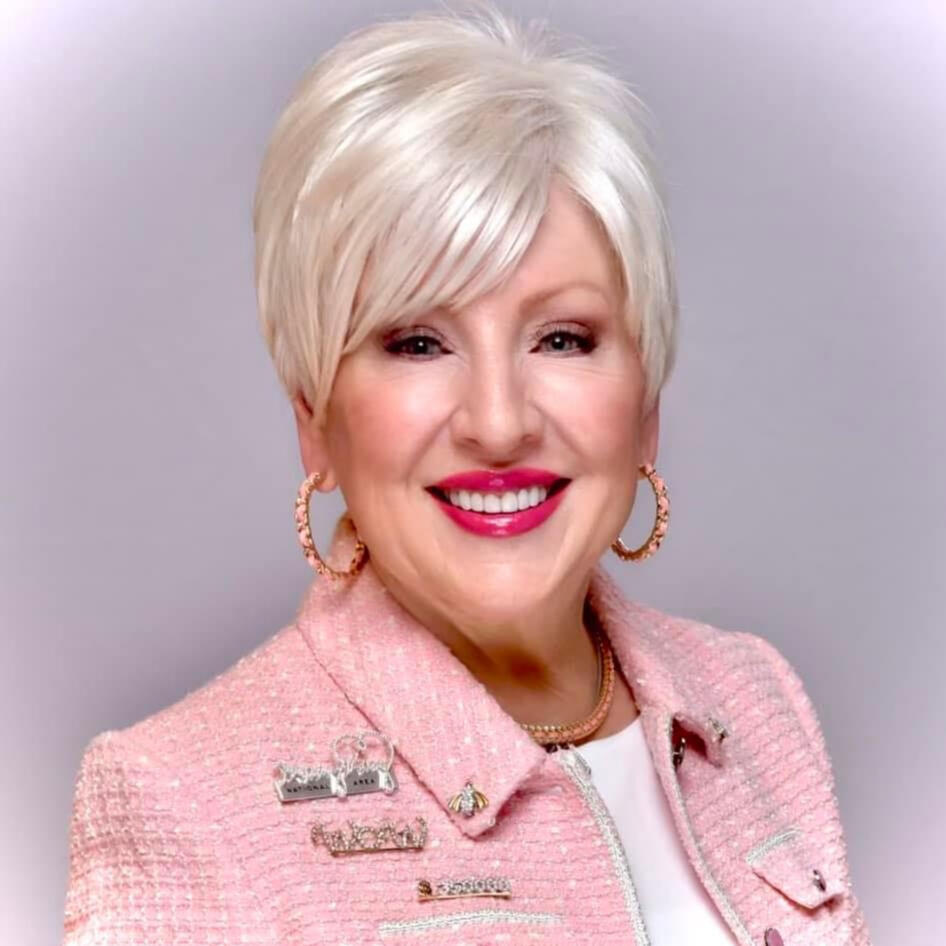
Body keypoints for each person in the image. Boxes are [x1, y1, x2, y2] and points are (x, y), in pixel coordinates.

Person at [62, 6, 872, 945]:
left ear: (646, 402)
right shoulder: (184, 799)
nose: (498, 421)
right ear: (314, 422)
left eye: (562, 339)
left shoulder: (755, 700)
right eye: (418, 342)